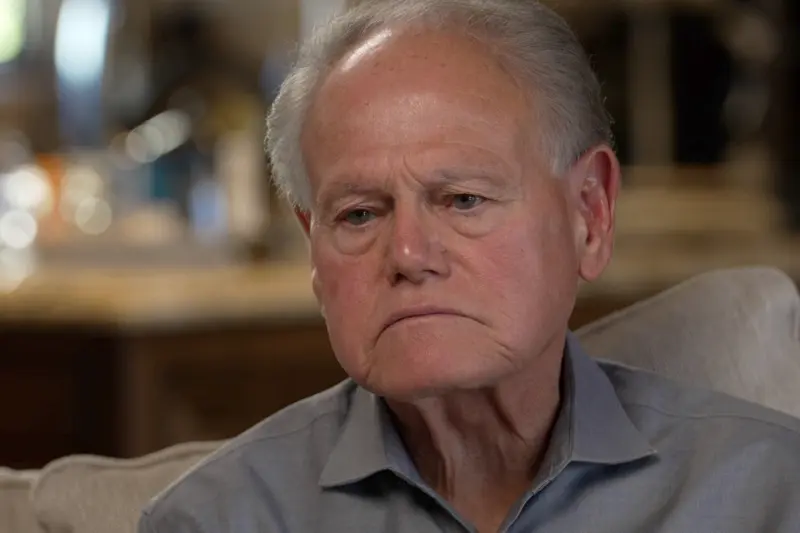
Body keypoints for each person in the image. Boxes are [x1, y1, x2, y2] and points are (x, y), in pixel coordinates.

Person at [138, 1, 800, 532]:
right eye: (360, 215)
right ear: (314, 251)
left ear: (590, 215)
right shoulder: (221, 517)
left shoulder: (769, 490)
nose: (407, 255)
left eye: (463, 200)